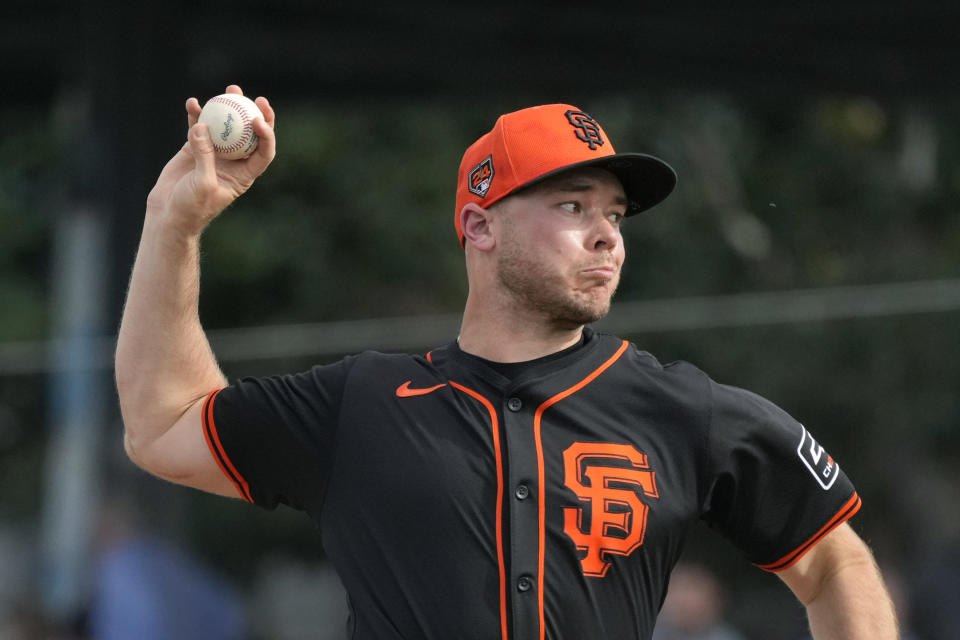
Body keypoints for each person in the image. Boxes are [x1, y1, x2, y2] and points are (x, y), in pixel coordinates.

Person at [115, 85, 899, 640]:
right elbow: (163, 425)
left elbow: (834, 563)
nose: (607, 234)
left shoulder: (681, 412)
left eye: (614, 213)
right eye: (572, 206)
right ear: (480, 227)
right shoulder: (365, 404)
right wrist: (172, 224)